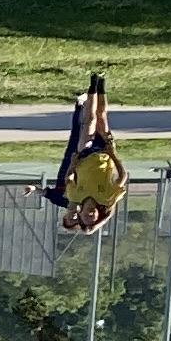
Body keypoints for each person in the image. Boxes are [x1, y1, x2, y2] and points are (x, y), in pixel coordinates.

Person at [53, 74, 126, 235]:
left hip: (84, 154)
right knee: (101, 116)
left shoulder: (75, 196)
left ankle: (93, 81)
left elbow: (69, 179)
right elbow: (122, 177)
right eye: (93, 216)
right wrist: (112, 154)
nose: (91, 213)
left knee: (90, 120)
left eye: (87, 216)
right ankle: (102, 84)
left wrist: (73, 163)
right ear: (98, 215)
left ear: (81, 213)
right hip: (105, 154)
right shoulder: (107, 199)